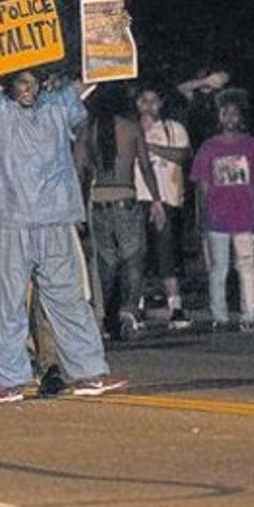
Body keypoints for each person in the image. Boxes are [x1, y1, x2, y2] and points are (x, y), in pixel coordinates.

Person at [0, 67, 128, 403]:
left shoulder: (56, 107)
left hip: (54, 219)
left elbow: (91, 78)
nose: (28, 89)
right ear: (8, 85)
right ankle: (8, 381)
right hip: (10, 220)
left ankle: (88, 373)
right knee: (6, 303)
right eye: (20, 83)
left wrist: (110, 37)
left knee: (69, 299)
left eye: (32, 83)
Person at [75, 88, 165, 340]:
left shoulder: (87, 130)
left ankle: (102, 316)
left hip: (98, 199)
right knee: (134, 257)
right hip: (125, 196)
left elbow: (79, 170)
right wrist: (156, 199)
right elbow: (145, 166)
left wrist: (78, 208)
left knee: (106, 262)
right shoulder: (131, 128)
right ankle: (129, 310)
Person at [191, 89, 254, 332]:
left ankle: (249, 314)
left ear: (241, 117)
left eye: (234, 114)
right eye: (224, 113)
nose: (229, 118)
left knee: (246, 266)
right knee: (218, 269)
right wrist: (201, 216)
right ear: (219, 117)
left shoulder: (252, 146)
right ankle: (220, 315)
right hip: (217, 217)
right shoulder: (209, 148)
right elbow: (202, 186)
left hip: (245, 216)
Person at [134, 86, 193, 330]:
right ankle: (135, 308)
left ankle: (176, 309)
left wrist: (149, 147)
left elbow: (182, 156)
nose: (149, 106)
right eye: (144, 101)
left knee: (167, 256)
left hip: (168, 199)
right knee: (137, 257)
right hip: (138, 197)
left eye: (154, 100)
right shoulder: (131, 128)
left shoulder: (174, 129)